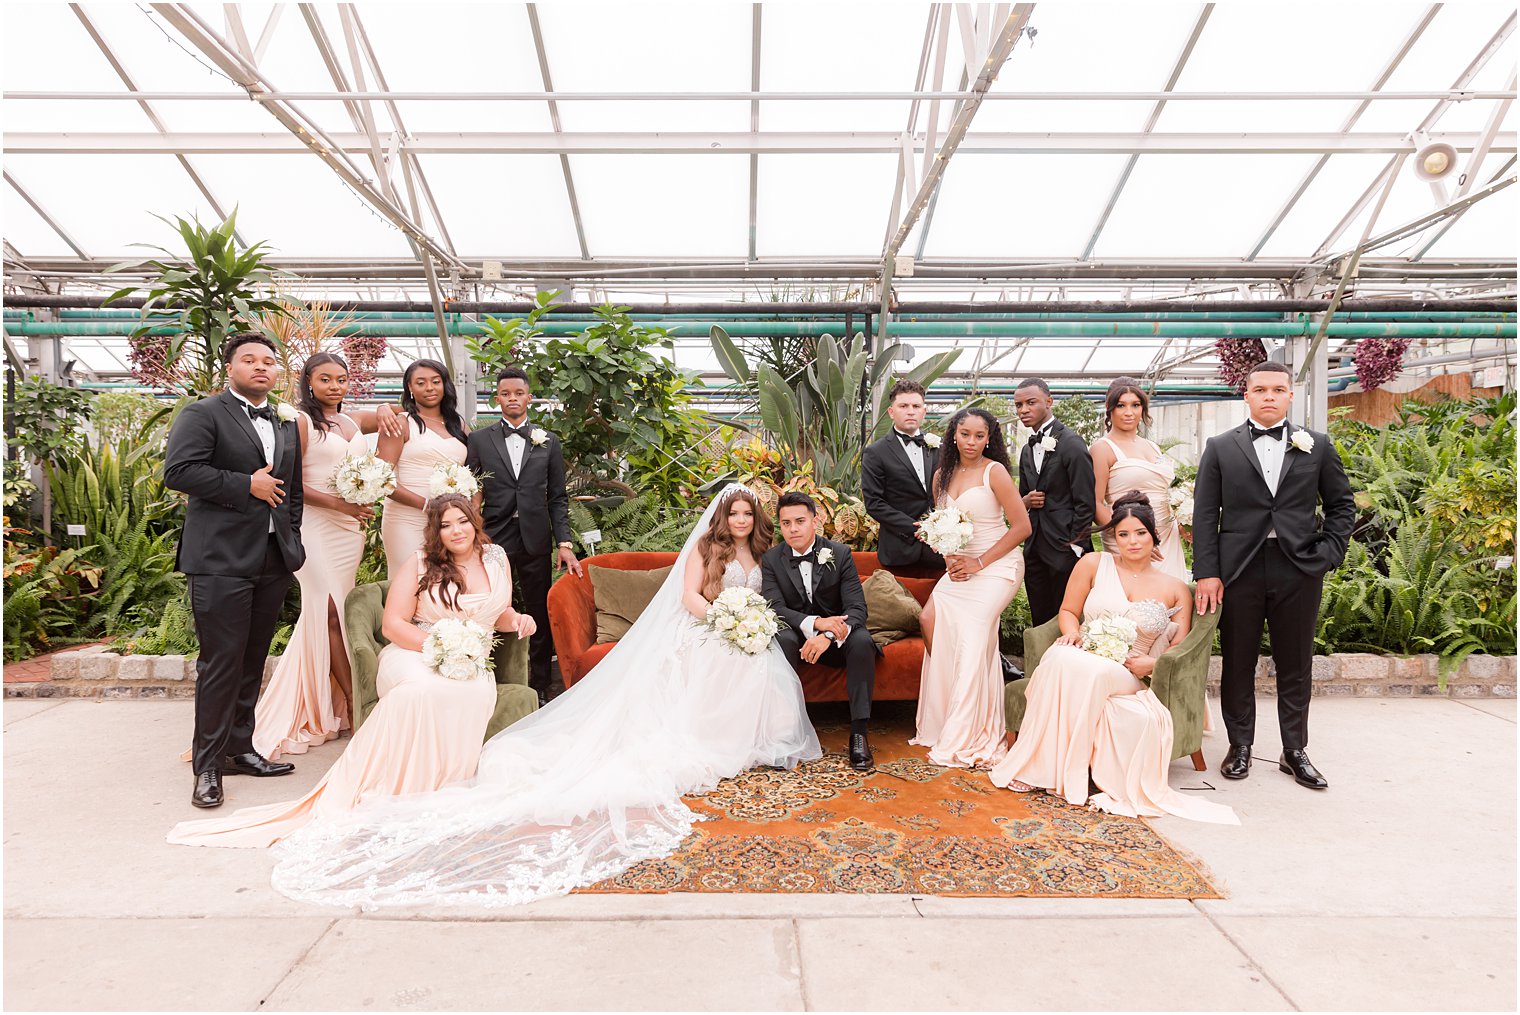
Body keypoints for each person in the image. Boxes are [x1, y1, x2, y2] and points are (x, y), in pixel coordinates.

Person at [256, 484, 819, 908]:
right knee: (717, 661)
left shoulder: (768, 550)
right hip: (703, 626)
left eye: (749, 513)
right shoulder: (707, 547)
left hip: (745, 628)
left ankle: (746, 738)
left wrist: (752, 620)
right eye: (735, 512)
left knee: (760, 668)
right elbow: (692, 598)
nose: (742, 520)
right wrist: (723, 618)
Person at [167, 495, 536, 847]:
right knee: (419, 692)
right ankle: (391, 786)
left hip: (471, 662)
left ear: (475, 523)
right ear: (434, 532)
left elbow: (495, 611)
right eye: (445, 525)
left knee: (468, 694)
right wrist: (442, 646)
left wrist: (518, 619)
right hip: (415, 651)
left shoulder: (496, 558)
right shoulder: (423, 561)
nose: (456, 531)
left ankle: (440, 785)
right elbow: (392, 625)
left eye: (462, 522)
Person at [987, 493, 1237, 825]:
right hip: (1085, 652)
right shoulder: (1093, 564)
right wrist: (1072, 632)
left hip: (1129, 670)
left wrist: (1155, 665)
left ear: (1154, 535)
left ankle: (1064, 772)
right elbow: (1067, 611)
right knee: (1059, 655)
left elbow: (1180, 646)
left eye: (1140, 533)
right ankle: (1038, 766)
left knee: (1091, 672)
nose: (1131, 541)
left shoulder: (1176, 587)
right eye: (1123, 534)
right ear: (1112, 537)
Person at [1193, 361, 1355, 790]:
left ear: (1289, 395)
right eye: (1260, 389)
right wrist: (1208, 572)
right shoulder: (1220, 447)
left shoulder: (1316, 445)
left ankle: (1294, 750)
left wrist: (1329, 553)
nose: (1269, 396)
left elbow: (1342, 505)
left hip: (1299, 568)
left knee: (1296, 663)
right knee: (1238, 662)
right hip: (1238, 570)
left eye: (1277, 389)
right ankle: (1240, 746)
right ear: (1245, 395)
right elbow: (1206, 515)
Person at [163, 332, 305, 809]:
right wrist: (247, 484)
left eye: (269, 361)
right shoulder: (203, 414)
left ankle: (241, 748)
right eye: (250, 360)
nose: (261, 367)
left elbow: (293, 489)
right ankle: (207, 765)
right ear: (230, 368)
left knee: (251, 660)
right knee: (220, 663)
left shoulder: (284, 422)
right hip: (220, 559)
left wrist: (293, 538)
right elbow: (180, 472)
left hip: (271, 557)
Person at [245, 353, 406, 758]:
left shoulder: (352, 421)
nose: (334, 386)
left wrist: (386, 406)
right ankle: (353, 703)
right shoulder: (300, 421)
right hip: (316, 527)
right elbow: (290, 481)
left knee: (333, 610)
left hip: (348, 532)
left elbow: (400, 412)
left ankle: (328, 700)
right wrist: (340, 505)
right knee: (329, 609)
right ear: (309, 383)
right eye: (325, 379)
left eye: (341, 379)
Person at [910, 408, 1031, 769]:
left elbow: (1022, 527)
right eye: (965, 434)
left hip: (998, 566)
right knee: (929, 617)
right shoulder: (940, 477)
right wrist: (948, 556)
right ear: (954, 435)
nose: (972, 442)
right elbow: (943, 527)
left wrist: (980, 562)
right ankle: (945, 714)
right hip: (961, 567)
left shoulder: (995, 472)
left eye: (980, 436)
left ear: (989, 437)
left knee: (975, 632)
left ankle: (969, 730)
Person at [465, 366, 581, 703]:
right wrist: (474, 536)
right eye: (505, 394)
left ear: (529, 397)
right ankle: (489, 679)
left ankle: (539, 684)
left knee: (538, 609)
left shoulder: (549, 441)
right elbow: (472, 491)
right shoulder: (479, 440)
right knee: (491, 606)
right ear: (496, 398)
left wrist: (564, 542)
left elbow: (558, 496)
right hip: (493, 537)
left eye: (519, 393)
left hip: (535, 538)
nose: (512, 399)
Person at [761, 491, 880, 771]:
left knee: (862, 640)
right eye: (786, 523)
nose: (793, 529)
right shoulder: (772, 560)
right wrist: (816, 624)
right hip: (797, 636)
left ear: (816, 520)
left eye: (800, 521)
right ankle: (786, 732)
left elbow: (857, 609)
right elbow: (775, 607)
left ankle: (859, 733)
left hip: (835, 640)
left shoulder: (839, 554)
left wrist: (827, 635)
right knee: (782, 638)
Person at [1014, 377, 1096, 627]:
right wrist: (1026, 501)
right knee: (1040, 618)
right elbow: (1022, 498)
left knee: (1068, 619)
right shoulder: (1027, 449)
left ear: (1049, 402)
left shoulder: (1071, 443)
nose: (1023, 410)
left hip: (1065, 548)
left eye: (1031, 402)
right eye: (1018, 405)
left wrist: (1075, 546)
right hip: (1035, 548)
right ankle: (1042, 666)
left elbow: (1086, 502)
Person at [377, 358, 469, 583]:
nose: (429, 388)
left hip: (447, 522)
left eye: (435, 381)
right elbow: (380, 480)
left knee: (444, 584)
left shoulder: (459, 425)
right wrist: (427, 505)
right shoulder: (400, 423)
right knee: (409, 582)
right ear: (409, 387)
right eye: (420, 382)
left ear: (444, 385)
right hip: (406, 519)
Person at [1091, 378, 1189, 582]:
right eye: (1121, 405)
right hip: (1131, 539)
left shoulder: (1152, 446)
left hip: (1166, 536)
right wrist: (1130, 538)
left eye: (1136, 405)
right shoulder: (1102, 448)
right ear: (1109, 409)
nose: (1129, 412)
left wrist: (1184, 520)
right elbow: (1095, 503)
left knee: (1174, 600)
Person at [861, 378, 945, 580]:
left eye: (916, 406)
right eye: (903, 406)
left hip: (939, 548)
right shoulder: (875, 452)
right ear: (891, 412)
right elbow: (874, 503)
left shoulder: (939, 448)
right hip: (899, 549)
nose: (910, 411)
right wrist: (915, 527)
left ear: (924, 411)